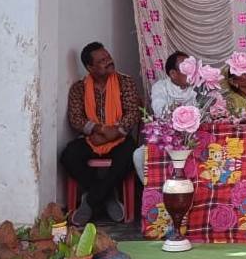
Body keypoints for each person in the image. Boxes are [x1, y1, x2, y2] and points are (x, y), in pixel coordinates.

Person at [60, 42, 142, 226]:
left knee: (130, 155)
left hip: (119, 138)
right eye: (102, 60)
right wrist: (100, 130)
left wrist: (116, 132)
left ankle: (91, 199)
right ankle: (107, 196)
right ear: (90, 67)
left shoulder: (125, 82)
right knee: (68, 155)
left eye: (108, 57)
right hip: (93, 139)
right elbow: (75, 118)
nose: (109, 61)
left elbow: (133, 112)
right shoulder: (79, 88)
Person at [133, 51, 197, 182]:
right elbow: (160, 111)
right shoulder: (160, 87)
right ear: (173, 73)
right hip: (166, 137)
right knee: (139, 155)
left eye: (192, 67)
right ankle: (154, 190)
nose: (191, 72)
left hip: (193, 138)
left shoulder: (198, 87)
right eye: (186, 68)